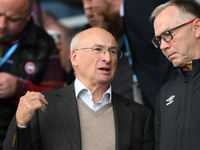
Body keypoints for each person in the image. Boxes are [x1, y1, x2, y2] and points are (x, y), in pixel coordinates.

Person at [3, 28, 154, 150]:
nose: (107, 58)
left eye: (113, 51)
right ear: (74, 57)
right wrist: (21, 124)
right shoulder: (43, 106)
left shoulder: (140, 115)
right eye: (98, 49)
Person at [0, 0, 64, 148]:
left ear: (29, 15)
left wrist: (20, 87)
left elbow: (57, 100)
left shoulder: (44, 45)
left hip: (18, 137)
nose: (2, 24)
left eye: (12, 19)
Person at [150, 0, 200, 149]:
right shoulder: (165, 93)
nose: (163, 46)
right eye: (159, 39)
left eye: (168, 34)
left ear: (197, 28)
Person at [83, 0, 134, 101]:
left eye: (94, 6)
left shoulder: (134, 37)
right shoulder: (82, 48)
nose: (90, 13)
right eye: (85, 7)